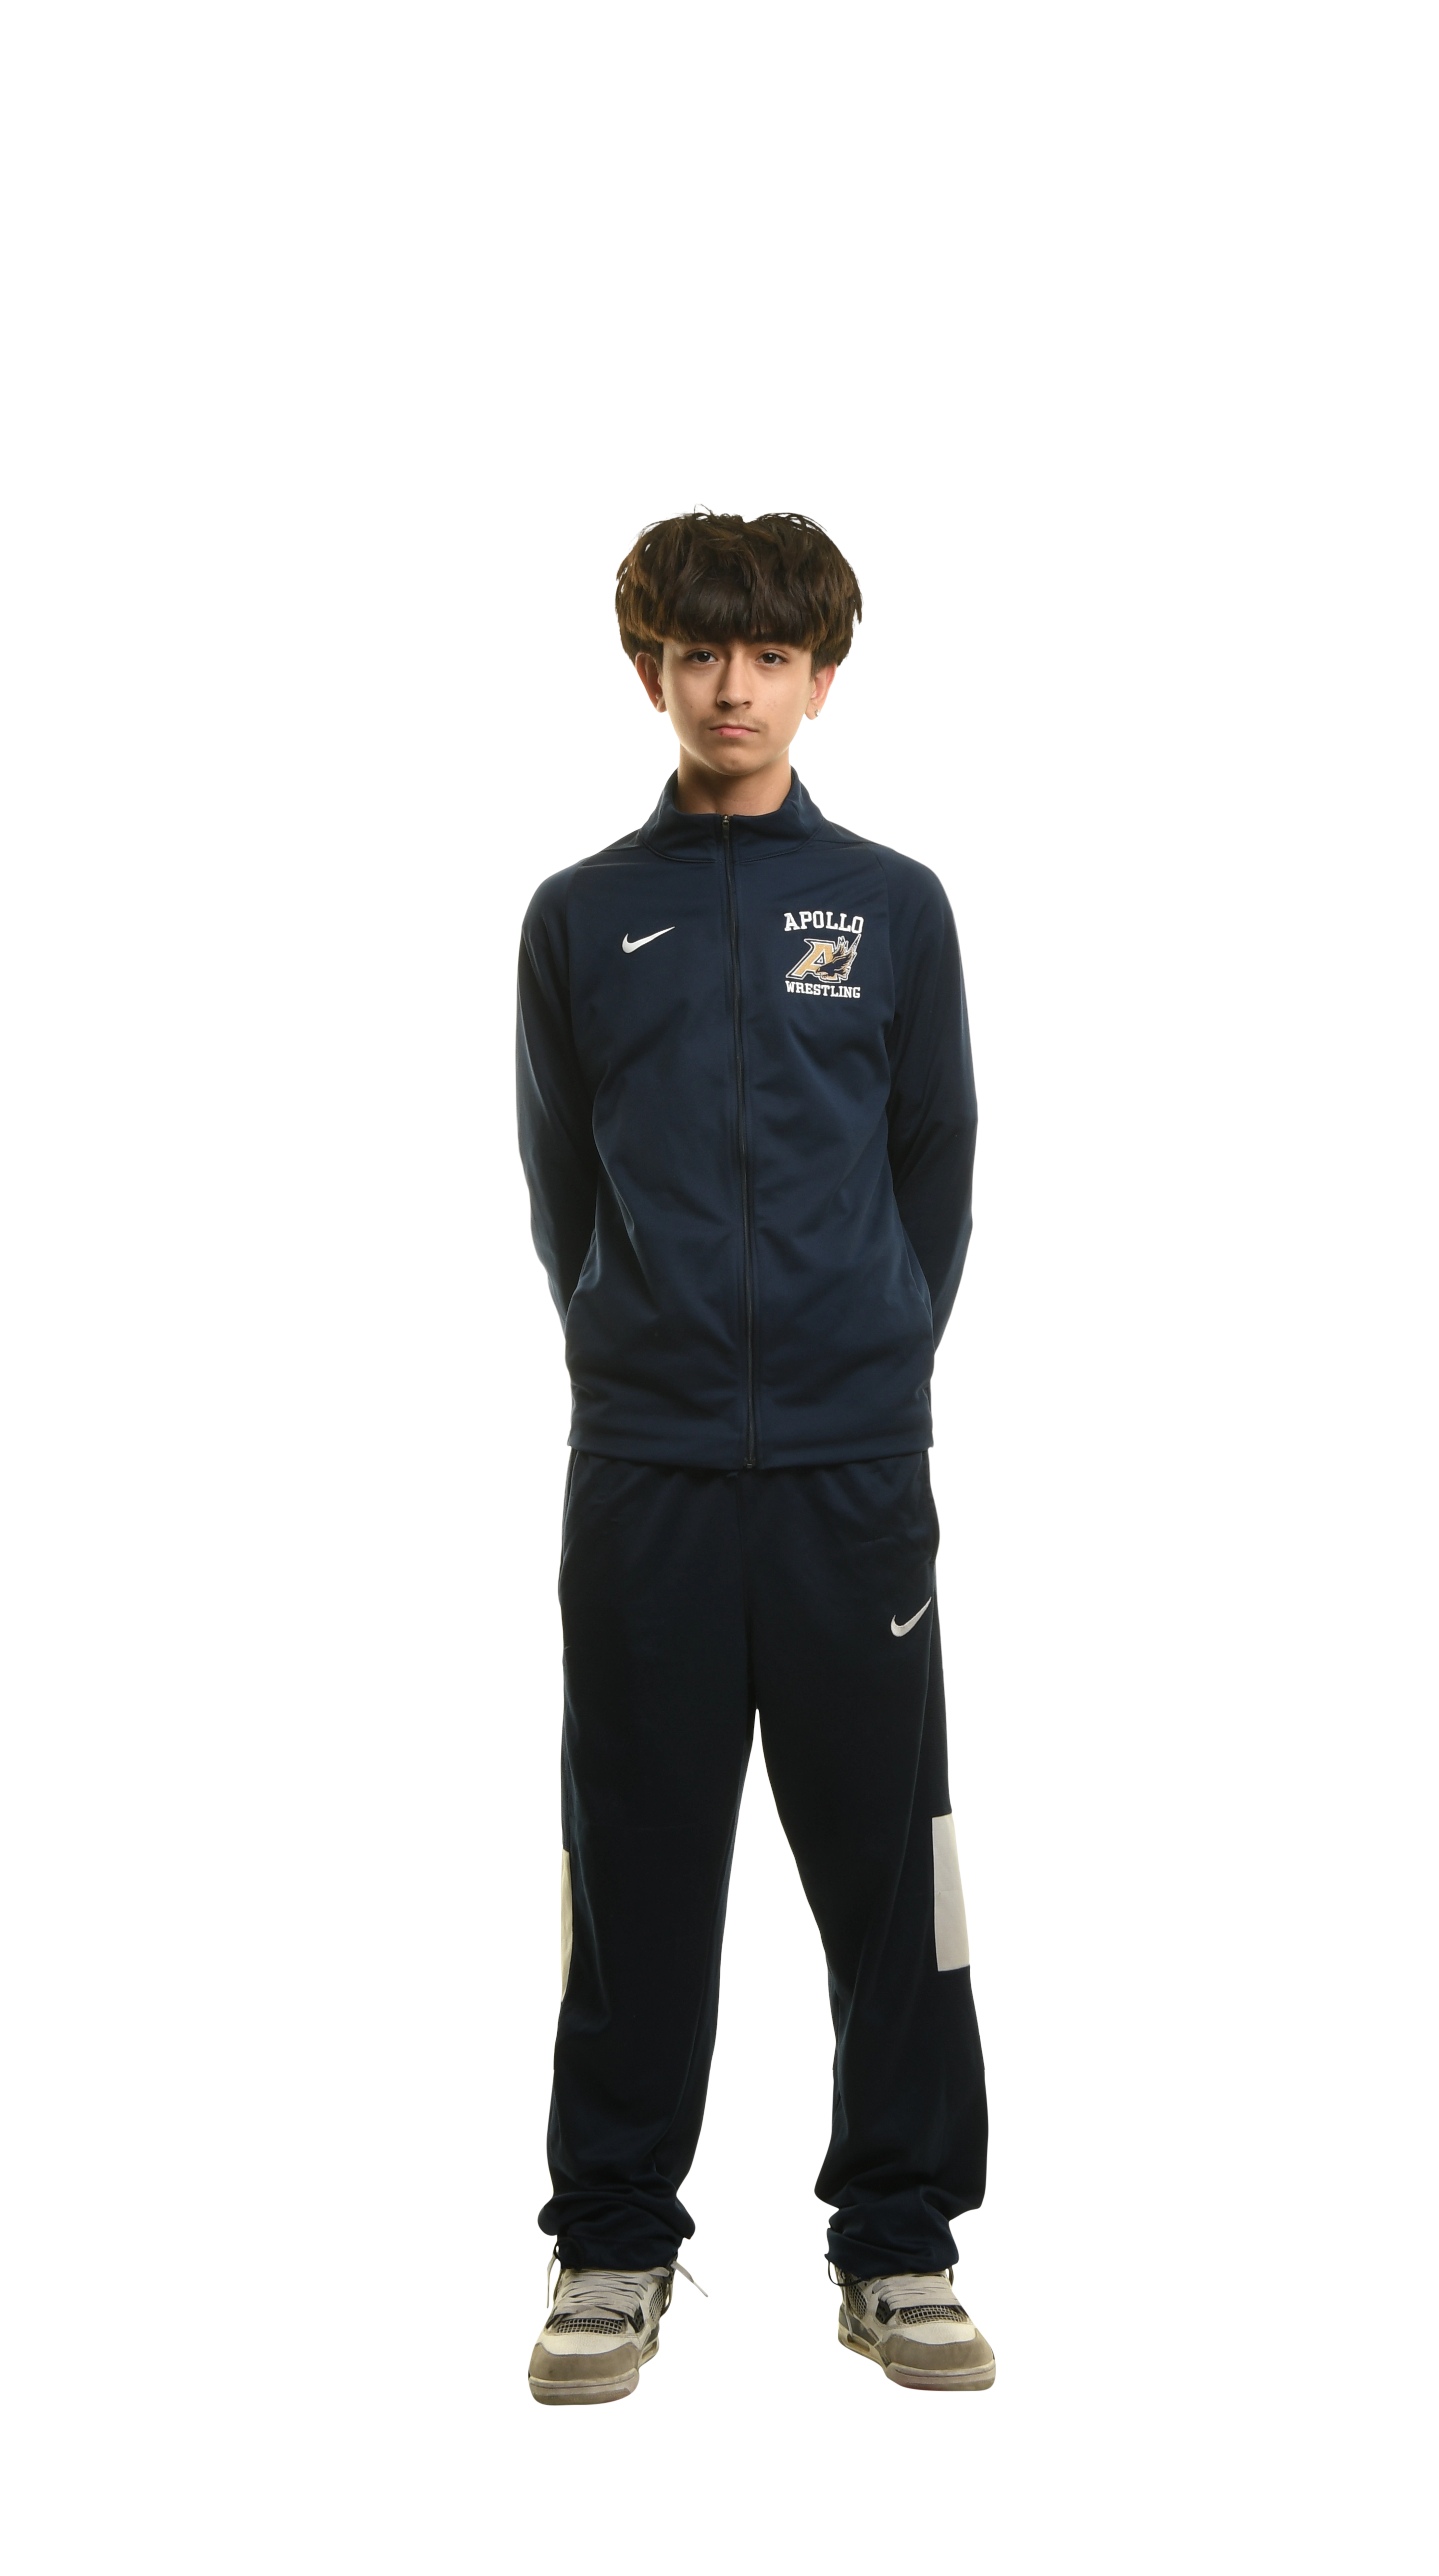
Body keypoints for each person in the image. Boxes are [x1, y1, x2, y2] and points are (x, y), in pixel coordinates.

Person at [516, 502, 994, 2403]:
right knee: (632, 1865)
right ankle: (610, 2243)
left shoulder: (894, 907)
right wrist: (639, 1356)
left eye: (772, 656)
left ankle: (903, 2238)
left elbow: (935, 1168)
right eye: (700, 652)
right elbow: (563, 1192)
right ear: (649, 669)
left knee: (889, 1872)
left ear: (822, 678)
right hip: (641, 1475)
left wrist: (863, 1353)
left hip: (849, 1476)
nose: (734, 687)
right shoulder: (577, 918)